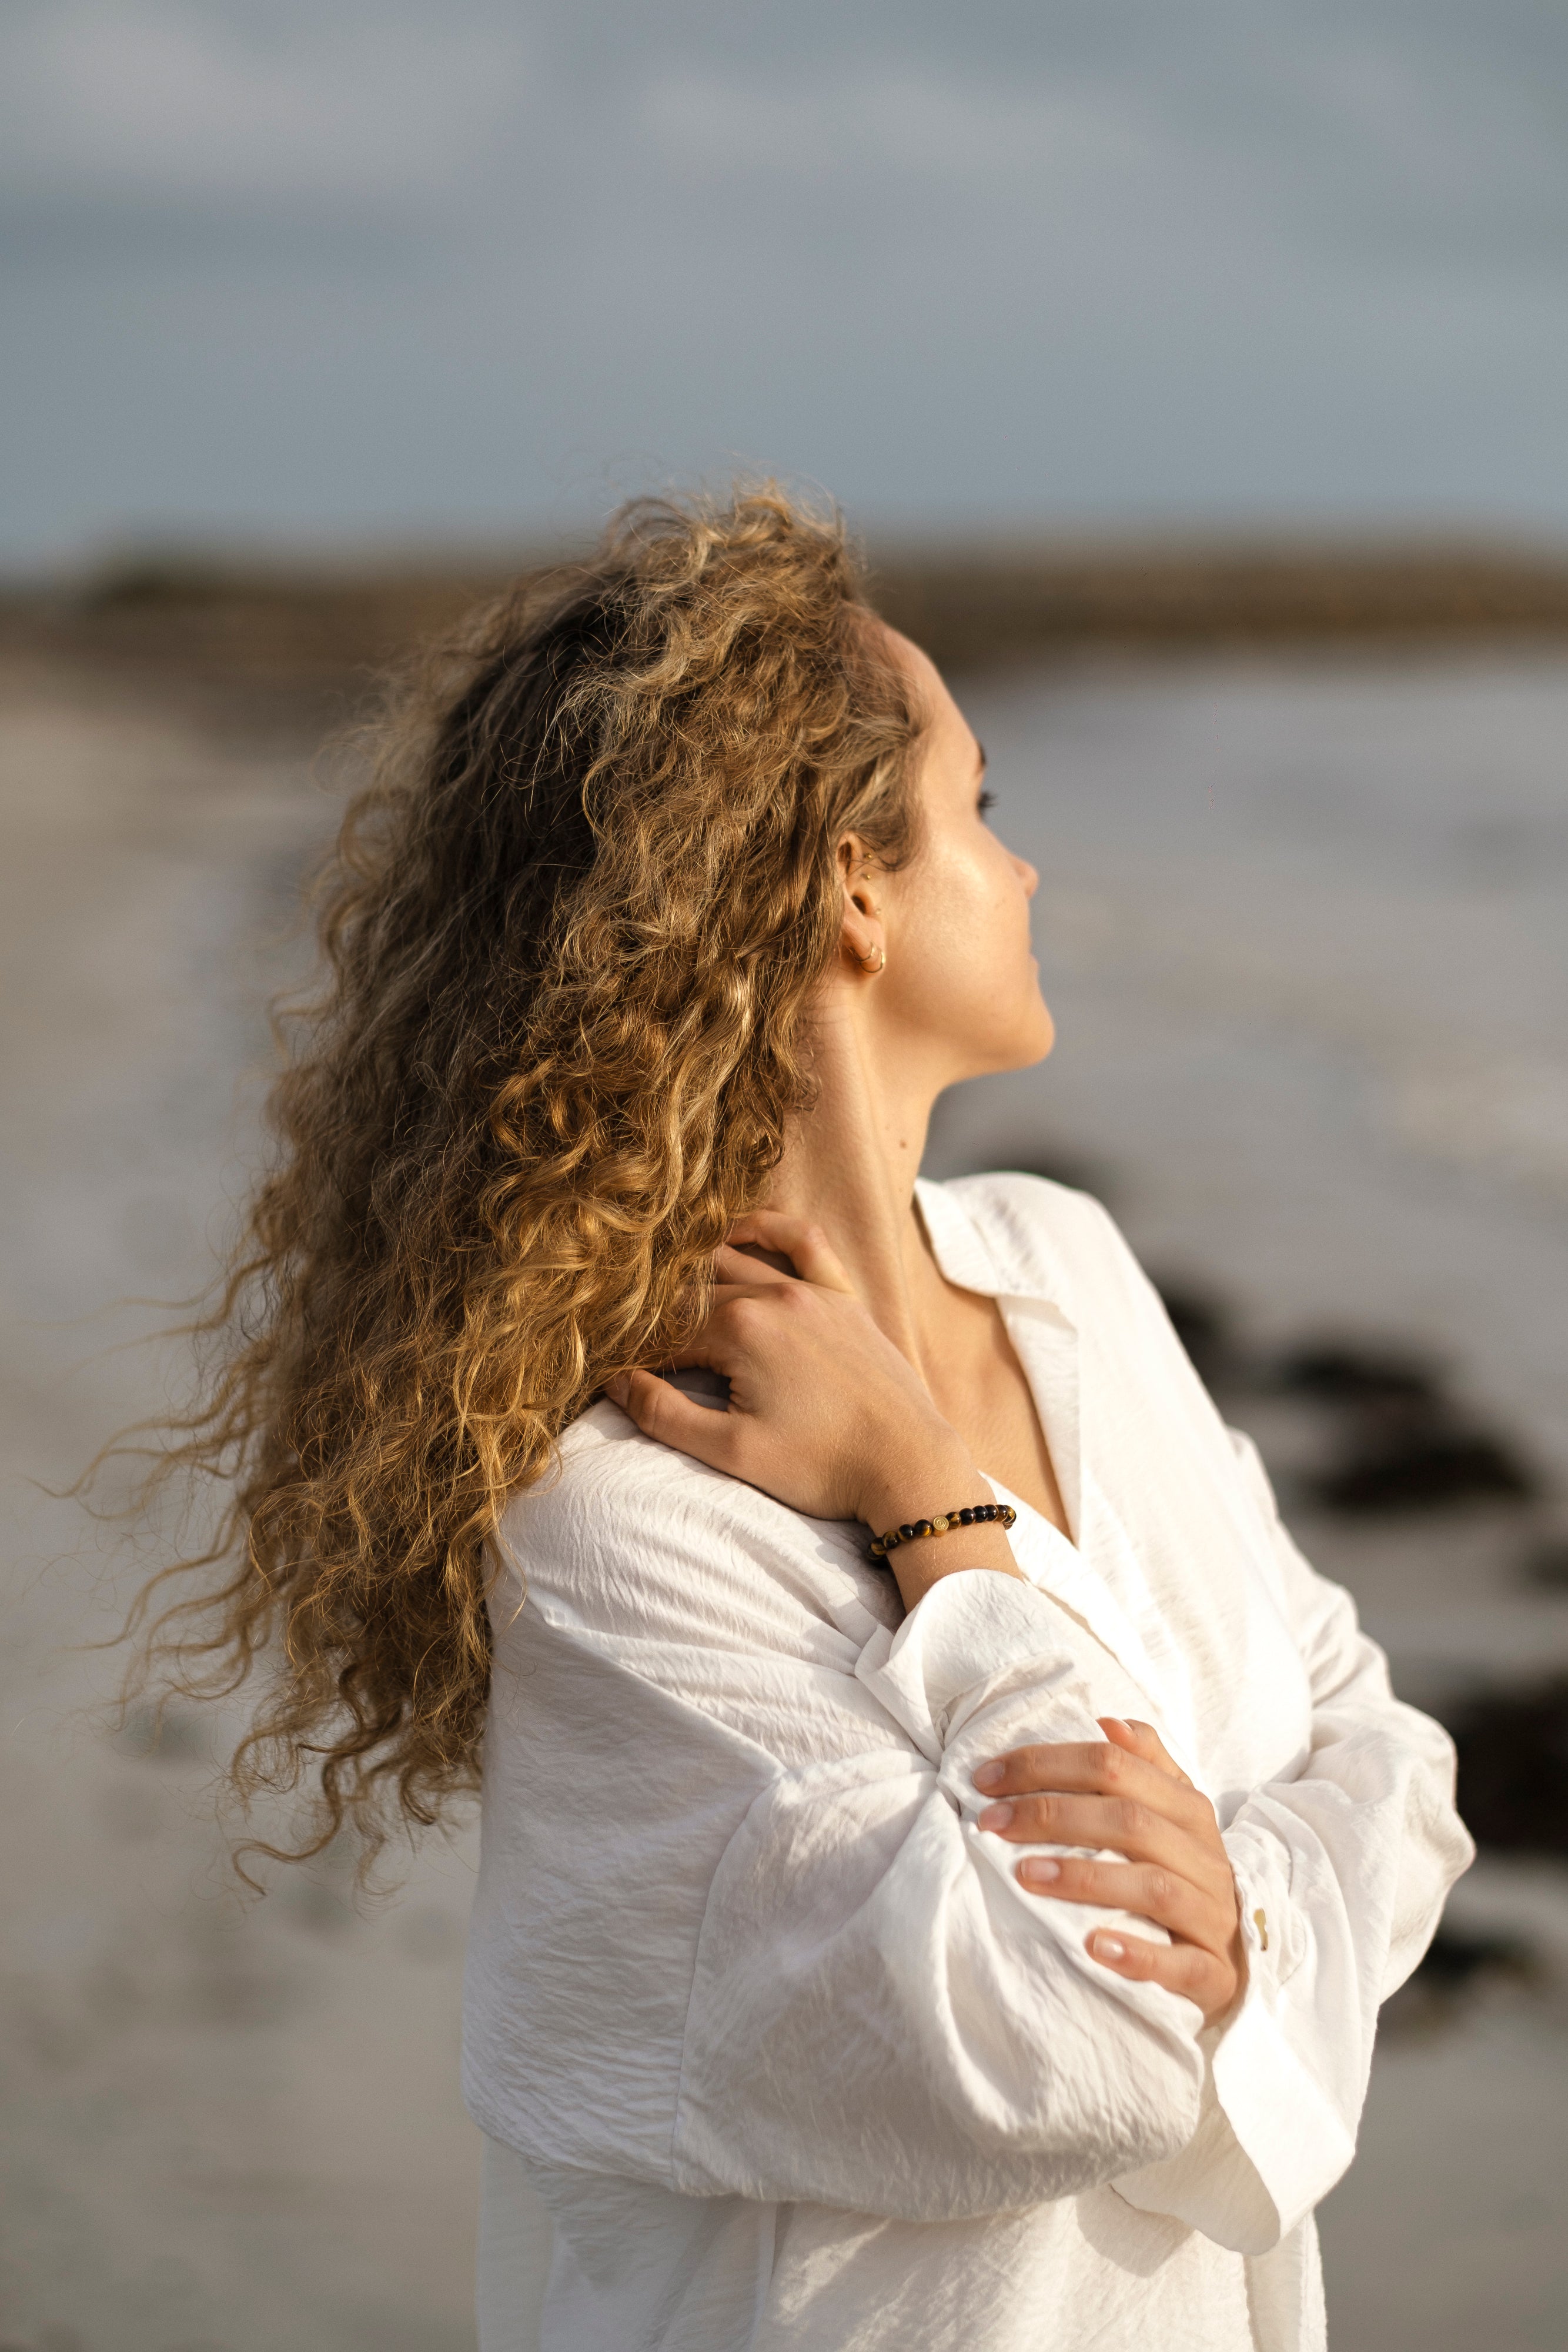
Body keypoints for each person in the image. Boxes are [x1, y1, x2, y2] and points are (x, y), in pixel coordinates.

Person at [138, 488, 1470, 2352]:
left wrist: (1239, 1925)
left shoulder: (1060, 1269)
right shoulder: (620, 1517)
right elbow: (1086, 2048)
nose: (1022, 876)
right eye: (979, 811)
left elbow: (1391, 1761)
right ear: (852, 878)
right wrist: (934, 1511)